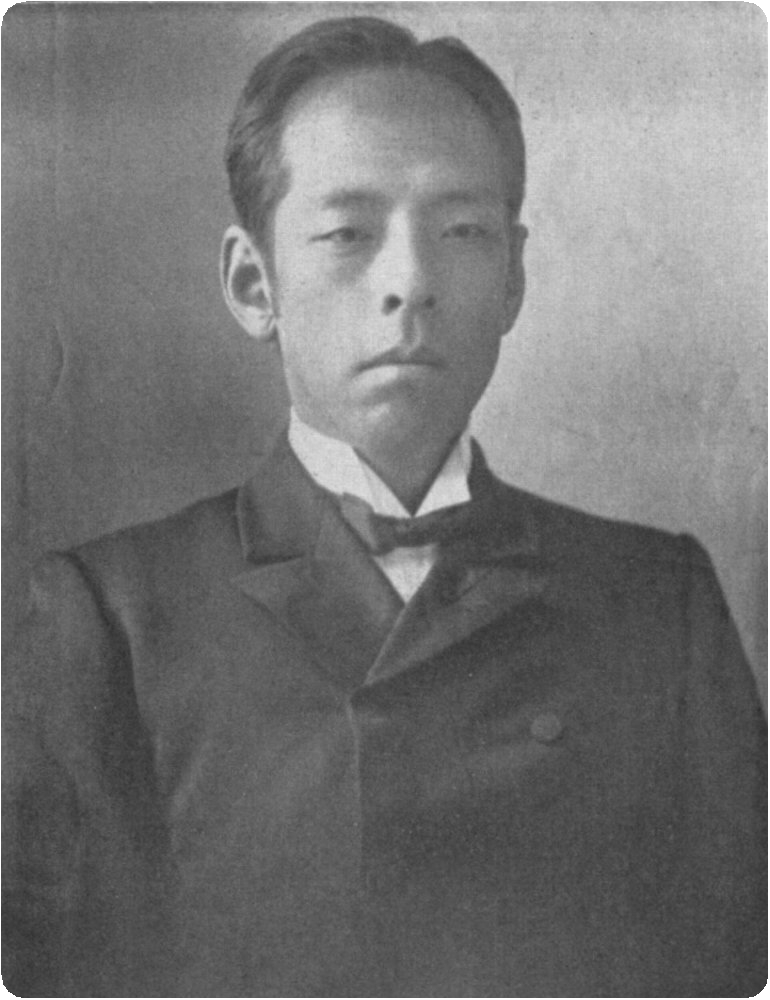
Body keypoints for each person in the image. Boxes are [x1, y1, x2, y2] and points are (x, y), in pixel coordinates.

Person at [4, 16, 765, 998]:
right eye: (347, 234)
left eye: (461, 232)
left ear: (513, 279)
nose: (409, 283)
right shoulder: (115, 613)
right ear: (253, 282)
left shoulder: (655, 599)